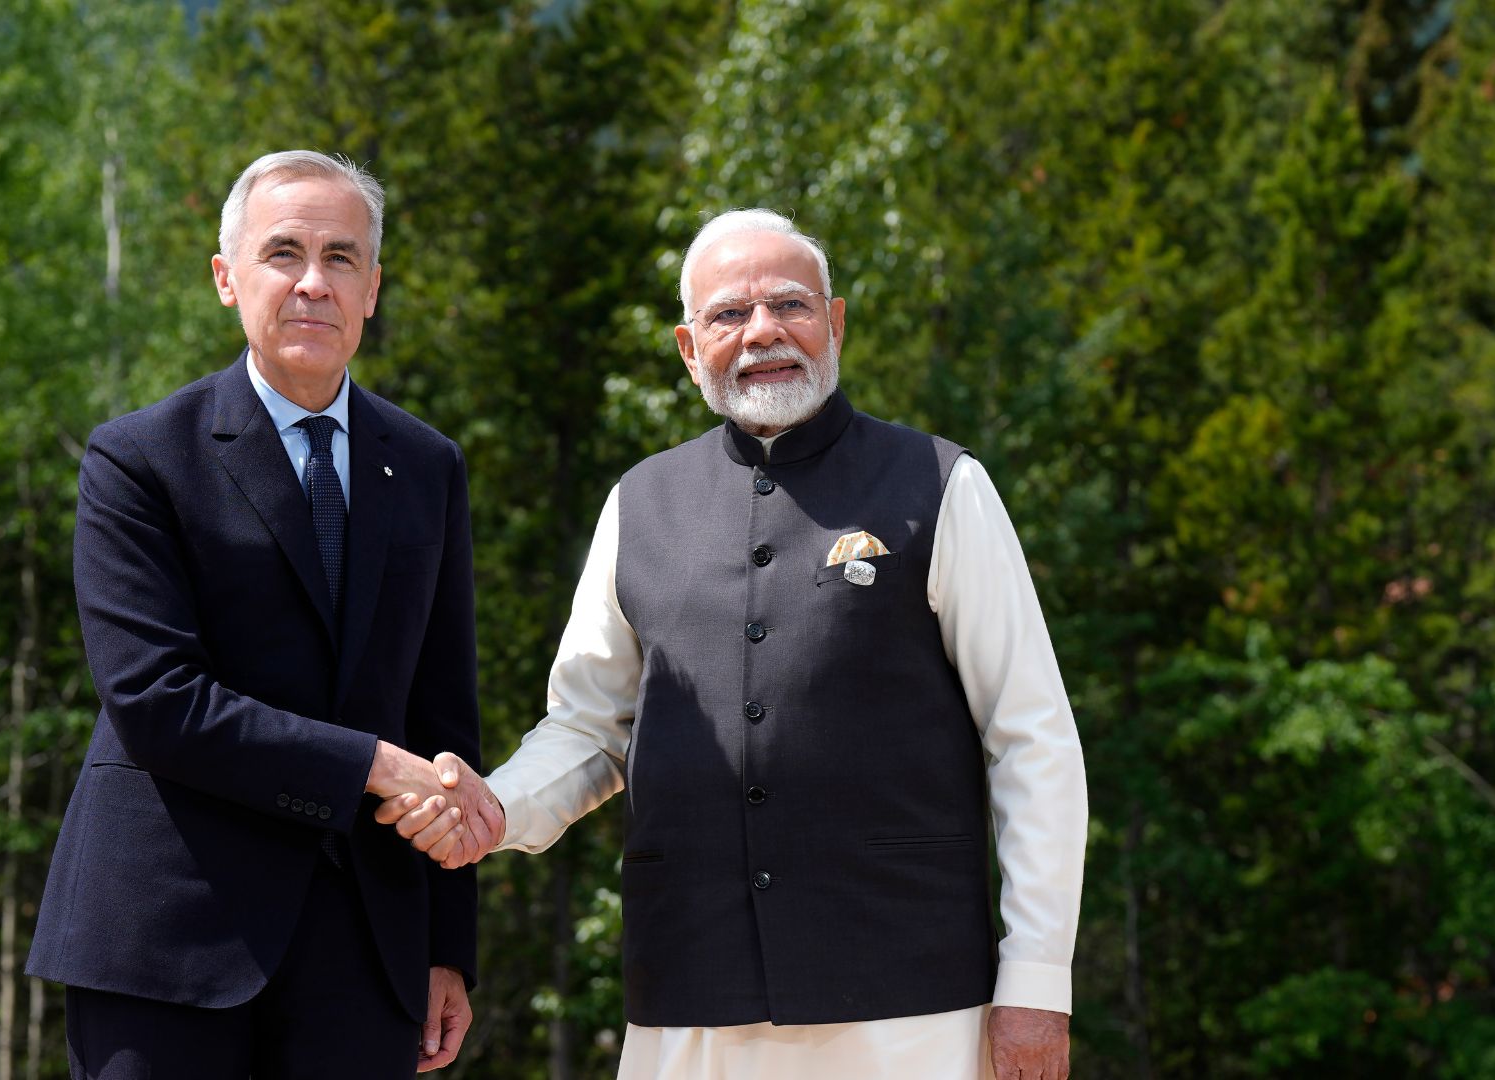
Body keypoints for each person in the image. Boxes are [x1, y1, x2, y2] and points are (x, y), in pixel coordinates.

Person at [384, 209, 1087, 1079]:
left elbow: (1033, 740)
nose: (762, 332)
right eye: (728, 314)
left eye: (790, 305)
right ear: (688, 348)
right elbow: (588, 729)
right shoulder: (637, 504)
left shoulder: (943, 486)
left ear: (834, 324)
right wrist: (493, 811)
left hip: (913, 1004)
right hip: (688, 1002)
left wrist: (1036, 981)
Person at [25, 150, 502, 1079]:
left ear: (373, 287)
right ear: (226, 278)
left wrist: (449, 943)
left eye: (342, 257)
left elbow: (445, 714)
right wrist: (365, 763)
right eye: (284, 252)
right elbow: (158, 700)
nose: (313, 282)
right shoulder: (138, 459)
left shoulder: (429, 465)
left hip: (366, 949)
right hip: (167, 941)